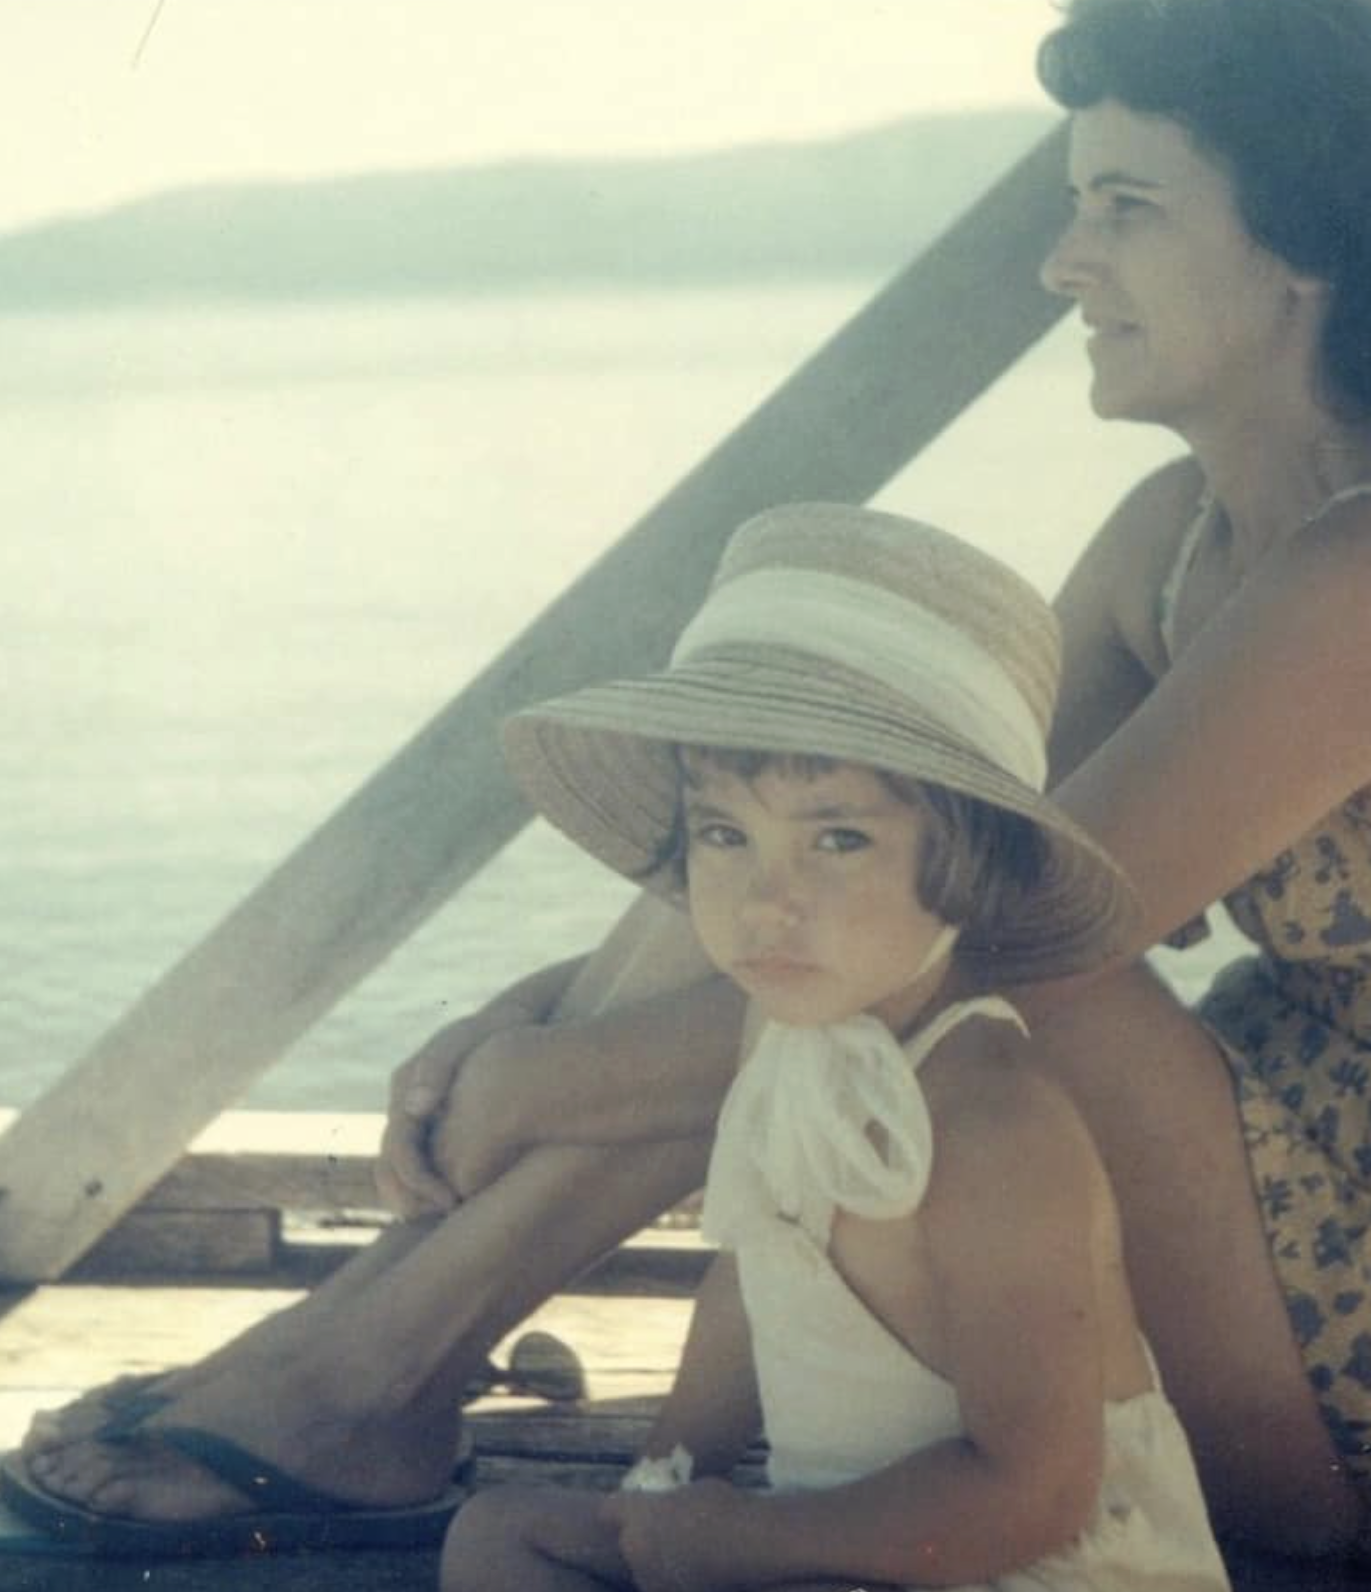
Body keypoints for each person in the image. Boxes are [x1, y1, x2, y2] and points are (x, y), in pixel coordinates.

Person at [6, 0, 1371, 1573]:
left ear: (1302, 248)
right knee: (835, 818)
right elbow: (903, 829)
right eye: (1072, 208)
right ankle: (361, 1356)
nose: (1065, 262)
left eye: (1125, 209)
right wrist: (534, 1007)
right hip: (1278, 1184)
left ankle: (363, 1379)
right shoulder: (1176, 534)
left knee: (930, 951)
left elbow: (991, 932)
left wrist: (550, 1087)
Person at [439, 501, 1228, 1591]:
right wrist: (666, 1483)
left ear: (969, 861)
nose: (767, 900)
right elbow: (761, 1279)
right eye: (725, 832)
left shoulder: (992, 1126)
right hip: (846, 1547)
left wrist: (736, 1538)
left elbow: (1032, 1495)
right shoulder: (794, 1031)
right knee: (497, 1539)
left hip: (1037, 1564)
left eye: (839, 837)